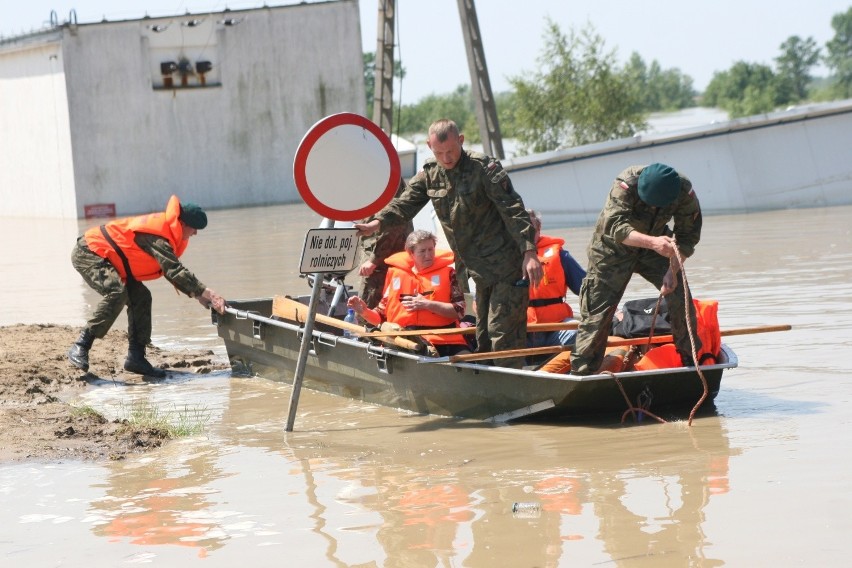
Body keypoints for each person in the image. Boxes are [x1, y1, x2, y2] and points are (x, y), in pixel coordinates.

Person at [354, 119, 542, 368]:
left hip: (505, 266)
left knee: (503, 337)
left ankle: (511, 391)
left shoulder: (483, 168)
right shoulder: (431, 173)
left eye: (451, 151)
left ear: (461, 141)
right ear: (429, 146)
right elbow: (404, 204)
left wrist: (529, 251)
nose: (446, 158)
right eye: (439, 152)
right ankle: (486, 392)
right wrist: (375, 224)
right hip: (475, 270)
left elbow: (514, 209)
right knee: (483, 338)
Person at [67, 195, 227, 378]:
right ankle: (81, 345)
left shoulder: (166, 235)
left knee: (141, 297)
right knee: (117, 293)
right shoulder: (157, 236)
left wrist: (198, 295)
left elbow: (169, 270)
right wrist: (208, 293)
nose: (195, 234)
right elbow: (174, 269)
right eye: (194, 228)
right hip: (89, 251)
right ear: (182, 223)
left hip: (112, 261)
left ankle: (136, 358)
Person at [570, 163, 703, 375]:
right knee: (598, 311)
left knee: (681, 296)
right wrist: (653, 243)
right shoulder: (626, 184)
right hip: (612, 249)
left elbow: (688, 236)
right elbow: (616, 227)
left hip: (655, 246)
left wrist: (672, 271)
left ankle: (691, 361)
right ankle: (582, 370)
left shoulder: (683, 191)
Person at [346, 230, 469, 357]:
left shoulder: (449, 273)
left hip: (447, 340)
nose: (428, 255)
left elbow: (459, 311)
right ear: (411, 253)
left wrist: (427, 304)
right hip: (408, 342)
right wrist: (364, 311)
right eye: (422, 251)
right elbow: (379, 317)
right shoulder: (396, 276)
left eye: (431, 249)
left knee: (468, 361)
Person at [525, 209, 586, 349]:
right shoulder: (502, 260)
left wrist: (615, 311)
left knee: (582, 333)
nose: (526, 232)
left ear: (538, 228)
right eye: (521, 227)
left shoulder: (560, 256)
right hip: (521, 331)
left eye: (530, 226)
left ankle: (570, 367)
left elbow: (588, 289)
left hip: (557, 326)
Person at [356, 181, 414, 309]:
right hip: (379, 256)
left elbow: (394, 222)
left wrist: (374, 260)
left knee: (368, 312)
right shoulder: (375, 174)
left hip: (384, 261)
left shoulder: (386, 177)